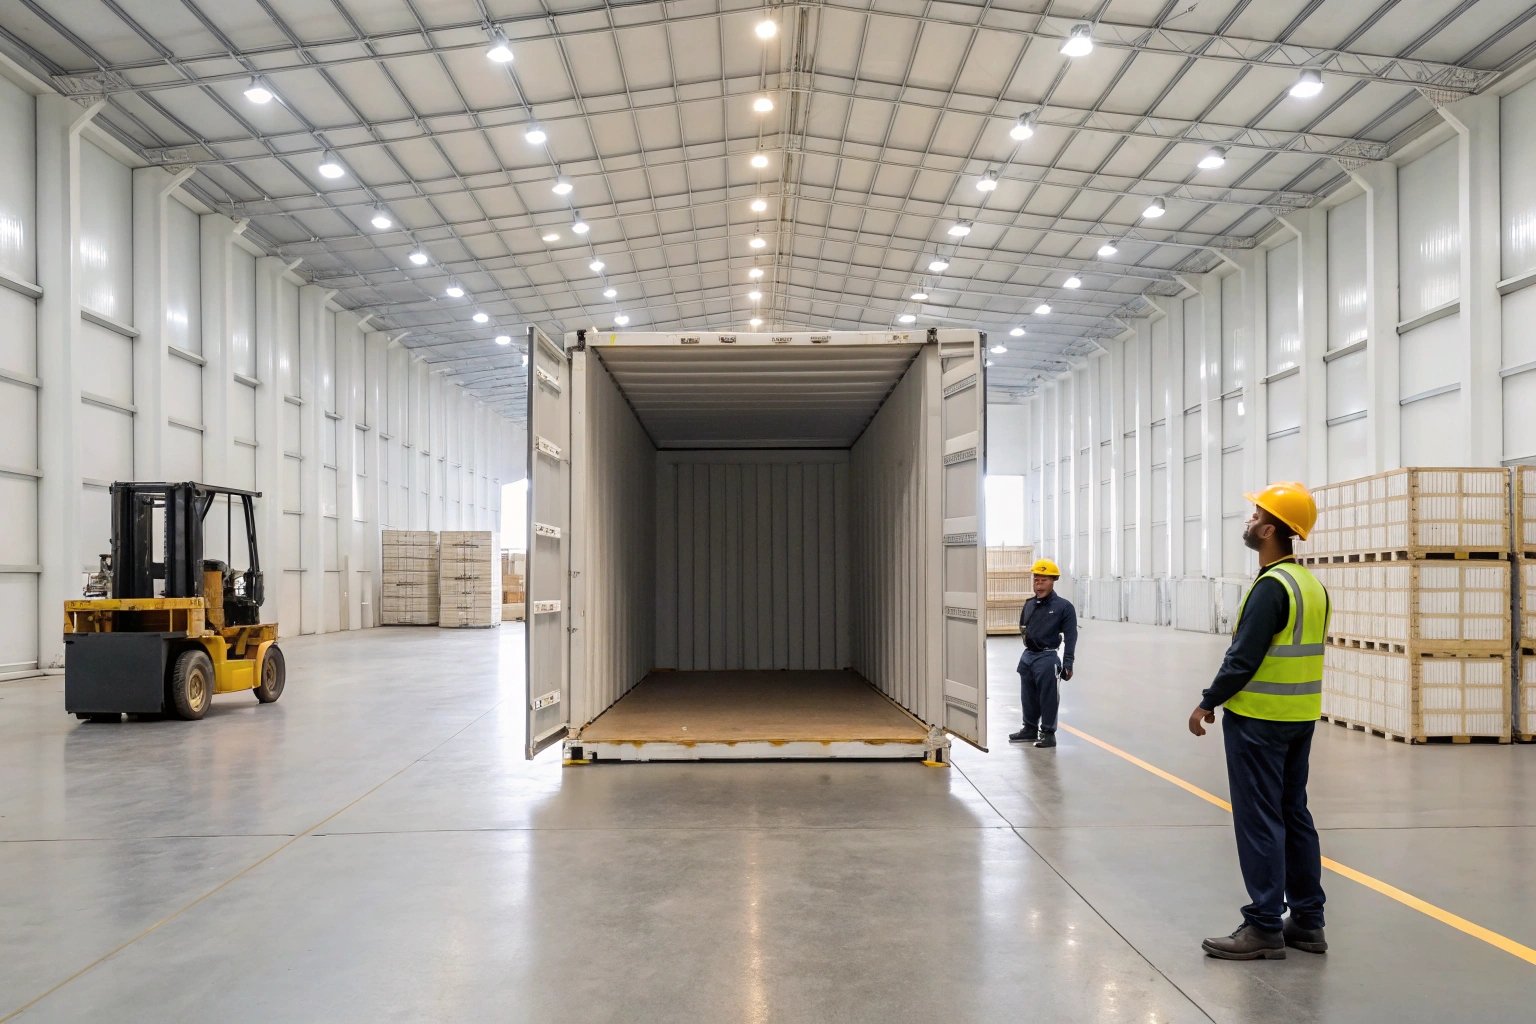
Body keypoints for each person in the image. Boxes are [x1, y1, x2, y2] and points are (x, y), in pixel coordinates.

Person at [1188, 482, 1330, 961]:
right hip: (1301, 716)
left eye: (1254, 517)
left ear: (1269, 530)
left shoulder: (1272, 587)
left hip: (1258, 721)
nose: (1248, 522)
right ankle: (1308, 921)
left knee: (1259, 820)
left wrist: (1208, 701)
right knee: (1294, 815)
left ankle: (1265, 925)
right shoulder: (1311, 584)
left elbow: (1243, 657)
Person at [1010, 558, 1077, 749]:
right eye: (1036, 580)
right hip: (1028, 656)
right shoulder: (1029, 604)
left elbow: (1071, 636)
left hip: (1047, 657)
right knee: (1027, 695)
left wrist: (1068, 663)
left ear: (1053, 581)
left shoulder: (1064, 607)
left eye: (1043, 580)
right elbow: (1024, 627)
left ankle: (1048, 733)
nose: (1038, 585)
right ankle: (1029, 728)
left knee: (1048, 697)